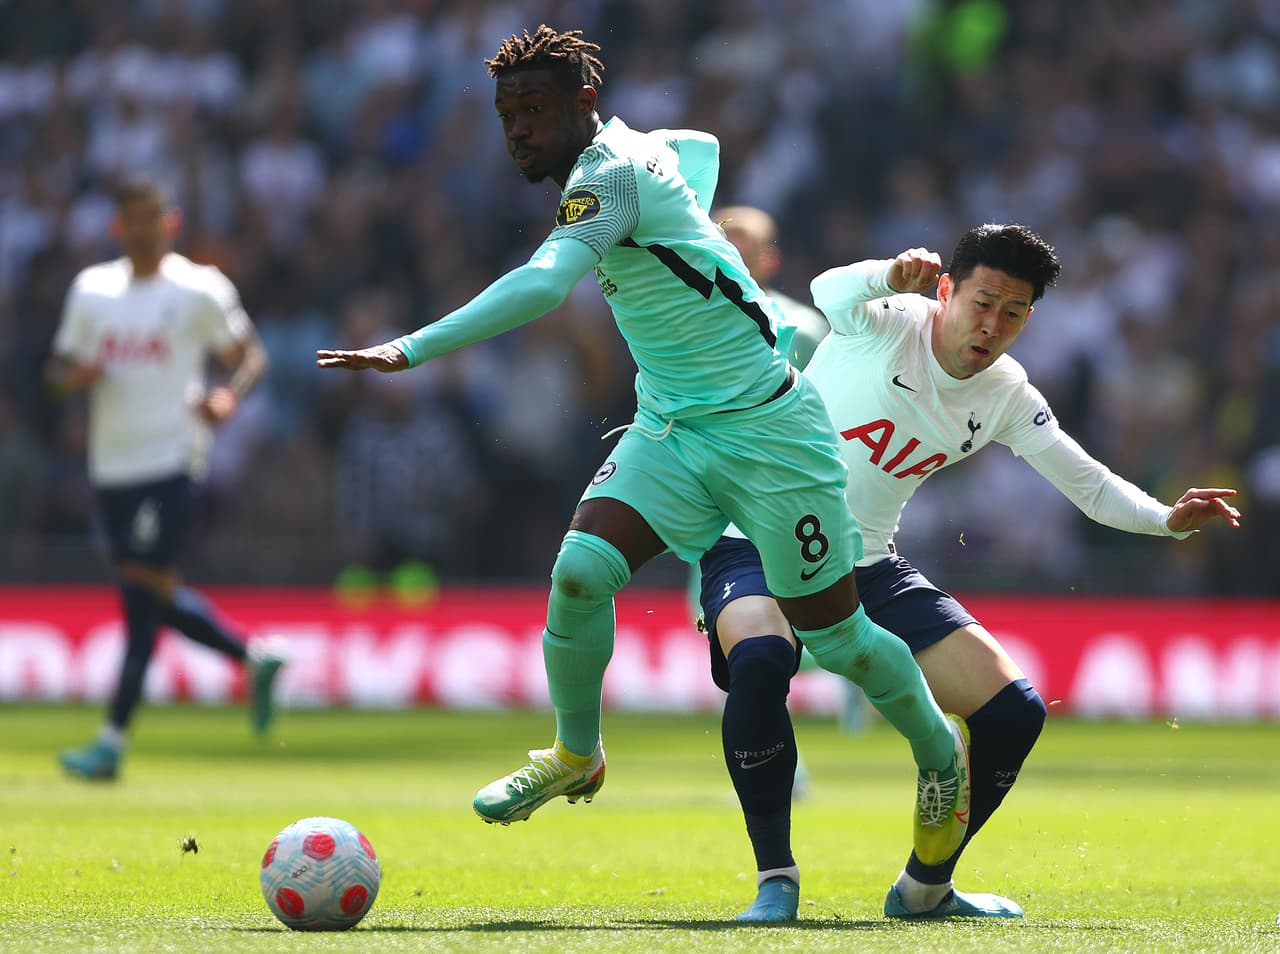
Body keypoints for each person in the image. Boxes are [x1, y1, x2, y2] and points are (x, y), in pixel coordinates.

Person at [316, 24, 971, 874]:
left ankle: (939, 754)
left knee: (840, 639)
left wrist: (410, 348)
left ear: (583, 103)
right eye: (508, 113)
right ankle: (575, 753)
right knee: (581, 572)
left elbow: (544, 284)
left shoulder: (611, 175)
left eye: (536, 109)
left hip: (770, 432)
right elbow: (701, 147)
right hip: (671, 429)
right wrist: (694, 213)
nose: (519, 129)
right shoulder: (639, 149)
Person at [697, 223, 1242, 921]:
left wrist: (1166, 518)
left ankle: (925, 887)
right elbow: (826, 290)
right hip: (757, 541)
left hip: (867, 566)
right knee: (761, 661)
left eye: (1012, 312)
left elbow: (1089, 485)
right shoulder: (891, 318)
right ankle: (776, 878)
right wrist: (887, 273)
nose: (991, 325)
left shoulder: (1007, 394)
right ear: (947, 290)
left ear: (1028, 319)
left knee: (1013, 711)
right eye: (982, 303)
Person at [46, 176, 284, 781]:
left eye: (151, 218)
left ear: (170, 223)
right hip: (112, 466)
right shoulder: (92, 290)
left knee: (140, 594)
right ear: (116, 227)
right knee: (147, 592)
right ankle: (251, 657)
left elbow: (251, 356)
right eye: (132, 219)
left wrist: (228, 397)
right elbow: (56, 372)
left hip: (173, 458)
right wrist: (74, 379)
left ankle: (111, 741)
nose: (142, 229)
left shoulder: (199, 288)